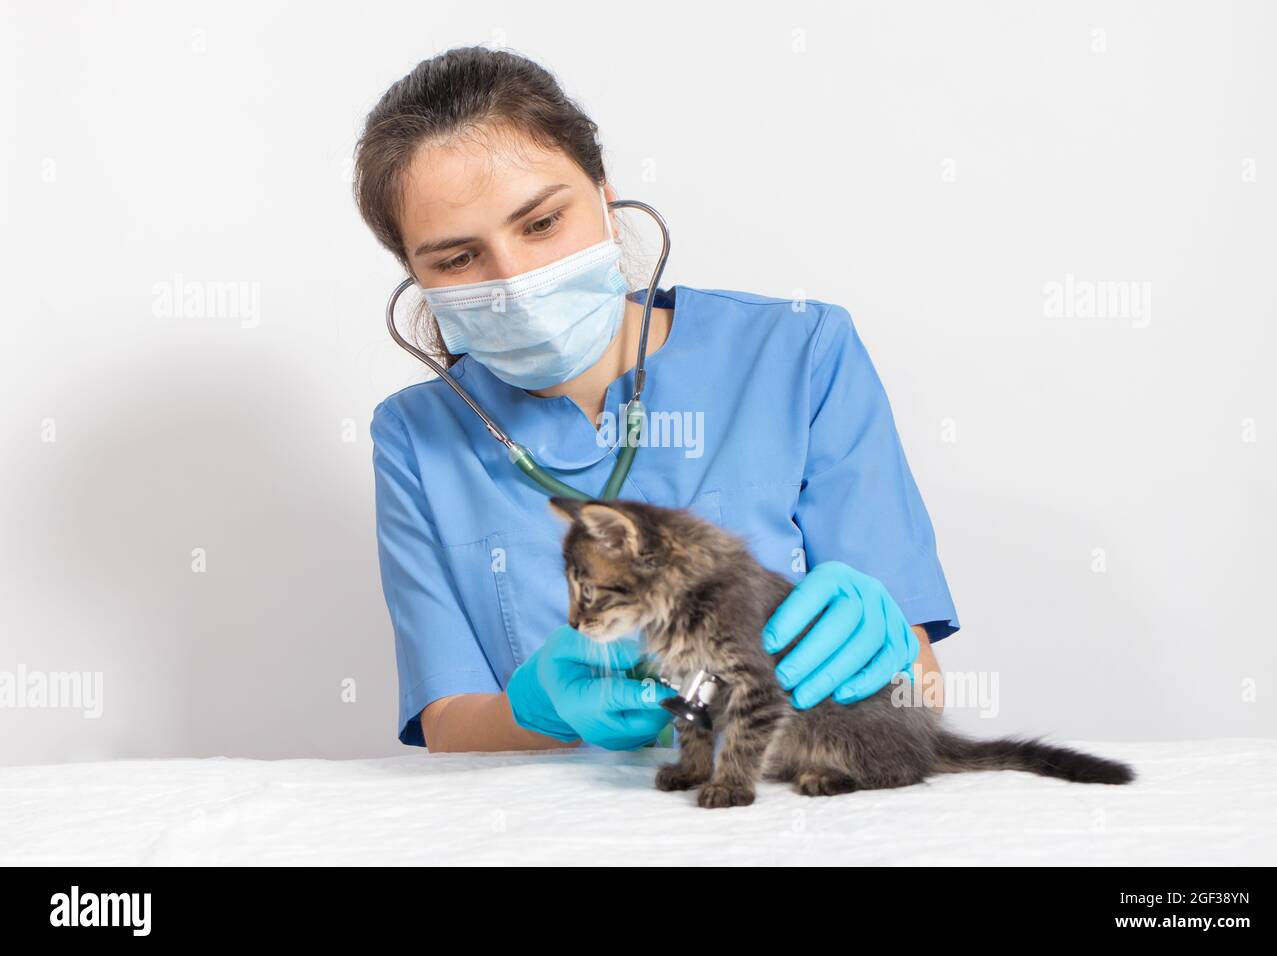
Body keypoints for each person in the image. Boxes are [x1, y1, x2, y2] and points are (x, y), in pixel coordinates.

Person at [353, 46, 960, 753]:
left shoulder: (800, 353)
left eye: (543, 222)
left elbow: (920, 687)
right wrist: (541, 707)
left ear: (605, 201)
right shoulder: (415, 438)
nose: (515, 279)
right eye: (458, 259)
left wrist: (883, 647)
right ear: (418, 279)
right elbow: (448, 724)